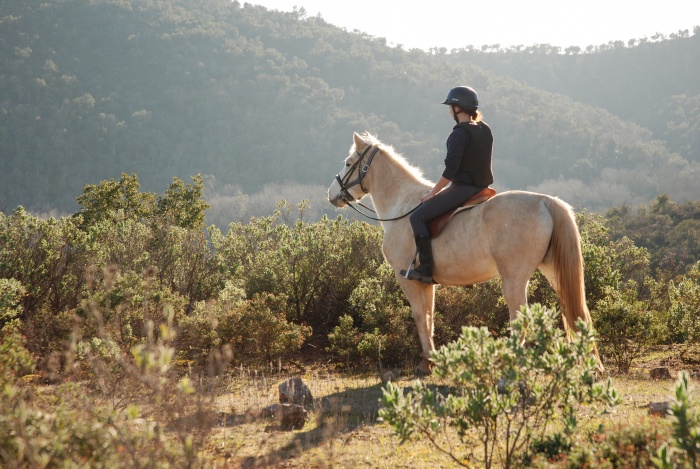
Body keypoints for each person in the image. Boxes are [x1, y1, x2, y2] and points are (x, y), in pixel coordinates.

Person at [400, 86, 494, 284]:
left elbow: (450, 172)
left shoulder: (458, 134)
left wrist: (433, 194)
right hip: (482, 187)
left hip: (463, 189)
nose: (449, 110)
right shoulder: (485, 129)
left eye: (451, 106)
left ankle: (426, 270)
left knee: (417, 217)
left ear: (458, 108)